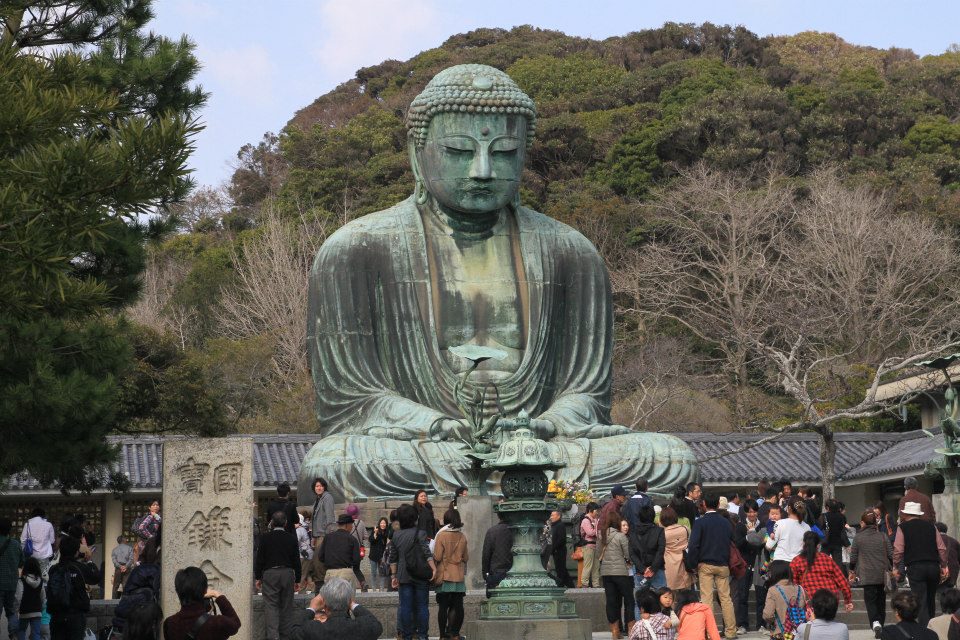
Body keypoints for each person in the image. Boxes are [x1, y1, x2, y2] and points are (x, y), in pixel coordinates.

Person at [685, 494, 736, 640]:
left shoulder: (700, 523)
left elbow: (693, 545)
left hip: (705, 564)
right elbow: (732, 541)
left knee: (707, 599)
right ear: (719, 504)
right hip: (723, 564)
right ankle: (731, 631)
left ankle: (709, 632)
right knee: (726, 598)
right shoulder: (726, 522)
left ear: (704, 504)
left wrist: (692, 563)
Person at [894, 502, 950, 627]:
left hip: (915, 567)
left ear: (906, 513)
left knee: (921, 601)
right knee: (931, 600)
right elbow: (941, 548)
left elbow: (898, 550)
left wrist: (896, 567)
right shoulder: (931, 526)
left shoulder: (902, 527)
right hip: (933, 566)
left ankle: (925, 630)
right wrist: (944, 565)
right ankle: (931, 627)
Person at [390, 504, 436, 640]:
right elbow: (427, 554)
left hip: (403, 575)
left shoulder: (396, 535)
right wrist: (433, 568)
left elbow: (393, 558)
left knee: (405, 607)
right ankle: (422, 636)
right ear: (414, 518)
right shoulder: (420, 533)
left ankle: (407, 635)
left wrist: (393, 576)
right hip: (420, 574)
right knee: (422, 606)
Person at [255, 511, 301, 640]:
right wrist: (297, 579)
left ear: (272, 523)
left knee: (271, 606)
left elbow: (260, 559)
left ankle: (273, 637)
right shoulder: (291, 538)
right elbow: (296, 560)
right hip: (287, 573)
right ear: (286, 523)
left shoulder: (265, 538)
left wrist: (258, 577)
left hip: (270, 574)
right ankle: (286, 636)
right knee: (287, 606)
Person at [289, 577, 383, 640]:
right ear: (349, 603)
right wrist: (353, 604)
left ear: (325, 606)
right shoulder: (363, 627)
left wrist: (311, 608)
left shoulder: (314, 629)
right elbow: (375, 623)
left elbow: (294, 628)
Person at [162, 566, 240, 640]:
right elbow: (235, 623)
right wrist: (217, 595)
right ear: (205, 590)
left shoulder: (169, 624)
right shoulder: (216, 623)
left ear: (178, 591)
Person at [46, 536, 99, 640]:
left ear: (61, 550)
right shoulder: (79, 568)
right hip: (76, 615)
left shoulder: (54, 569)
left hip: (56, 615)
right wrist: (89, 561)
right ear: (76, 552)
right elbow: (96, 578)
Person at [850, 509, 893, 635]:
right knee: (881, 601)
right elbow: (891, 554)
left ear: (863, 523)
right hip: (882, 575)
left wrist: (851, 570)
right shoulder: (883, 536)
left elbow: (853, 558)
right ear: (875, 523)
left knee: (870, 601)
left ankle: (875, 622)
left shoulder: (858, 538)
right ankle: (881, 626)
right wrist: (893, 568)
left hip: (867, 576)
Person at [790, 531, 853, 616]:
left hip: (810, 600)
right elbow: (842, 582)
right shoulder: (827, 559)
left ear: (803, 543)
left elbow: (794, 585)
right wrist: (847, 601)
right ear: (818, 545)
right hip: (830, 599)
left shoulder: (796, 561)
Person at [112, 537, 161, 635]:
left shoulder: (115, 549)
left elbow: (114, 559)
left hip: (122, 570)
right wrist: (126, 566)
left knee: (116, 586)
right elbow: (131, 558)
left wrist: (119, 566)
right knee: (125, 584)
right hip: (145, 576)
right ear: (124, 540)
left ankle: (114, 598)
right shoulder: (146, 596)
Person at [433, 509, 468, 640]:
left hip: (444, 575)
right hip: (458, 576)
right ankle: (455, 634)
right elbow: (466, 557)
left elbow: (436, 556)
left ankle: (442, 635)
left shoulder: (441, 535)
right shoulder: (462, 536)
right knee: (457, 606)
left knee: (443, 607)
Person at [599, 511, 634, 639]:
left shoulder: (601, 535)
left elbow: (598, 554)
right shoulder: (620, 536)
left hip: (606, 573)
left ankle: (615, 631)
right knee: (629, 600)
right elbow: (628, 555)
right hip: (620, 572)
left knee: (611, 601)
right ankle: (630, 630)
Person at [630, 503, 666, 600]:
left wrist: (643, 569)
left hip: (640, 570)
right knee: (662, 598)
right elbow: (660, 551)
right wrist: (653, 568)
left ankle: (639, 616)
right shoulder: (659, 531)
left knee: (640, 601)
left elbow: (632, 554)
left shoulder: (633, 532)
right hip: (657, 569)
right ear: (653, 516)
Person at [761, 561, 805, 636]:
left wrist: (773, 622)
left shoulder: (773, 590)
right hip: (799, 633)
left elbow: (768, 615)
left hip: (781, 633)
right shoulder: (800, 589)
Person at [318, 515, 361, 589]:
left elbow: (320, 556)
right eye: (351, 525)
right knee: (347, 599)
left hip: (330, 573)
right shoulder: (352, 539)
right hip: (346, 572)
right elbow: (356, 560)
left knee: (330, 598)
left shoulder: (328, 537)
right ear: (347, 525)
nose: (352, 527)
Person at [1, 517, 24, 640]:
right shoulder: (15, 544)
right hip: (11, 583)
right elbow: (22, 562)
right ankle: (13, 634)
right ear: (9, 530)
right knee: (11, 611)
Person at [659, 507, 692, 592]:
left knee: (671, 594)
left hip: (669, 565)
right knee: (686, 593)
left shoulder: (663, 533)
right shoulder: (685, 529)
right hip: (685, 564)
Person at [310, 478, 335, 587]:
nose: (318, 488)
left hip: (324, 534)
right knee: (317, 563)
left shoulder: (327, 497)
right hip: (317, 535)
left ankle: (320, 588)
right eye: (316, 486)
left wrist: (328, 535)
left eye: (320, 486)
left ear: (324, 487)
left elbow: (330, 518)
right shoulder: (318, 499)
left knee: (318, 563)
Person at [481, 512, 513, 597]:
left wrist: (485, 573)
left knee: (494, 599)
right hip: (514, 571)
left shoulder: (492, 531)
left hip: (496, 572)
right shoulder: (515, 531)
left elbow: (486, 555)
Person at [769, 499, 810, 563]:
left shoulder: (779, 523)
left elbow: (769, 545)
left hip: (780, 562)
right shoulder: (807, 527)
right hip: (798, 563)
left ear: (789, 508)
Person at [19, 509, 55, 579]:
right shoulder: (48, 525)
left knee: (31, 577)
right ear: (43, 516)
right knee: (43, 578)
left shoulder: (28, 524)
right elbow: (52, 541)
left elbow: (22, 540)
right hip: (44, 555)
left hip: (31, 556)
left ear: (33, 515)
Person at [17, 557, 44, 640]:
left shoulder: (21, 580)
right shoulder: (40, 581)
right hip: (37, 610)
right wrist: (41, 606)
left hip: (24, 610)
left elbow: (19, 595)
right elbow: (43, 596)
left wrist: (17, 607)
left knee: (21, 631)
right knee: (36, 633)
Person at [545, 509, 573, 588]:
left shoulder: (560, 525)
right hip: (556, 550)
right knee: (561, 569)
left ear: (558, 516)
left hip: (559, 550)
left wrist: (553, 548)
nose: (551, 517)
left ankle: (561, 584)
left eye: (553, 515)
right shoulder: (554, 525)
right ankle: (569, 585)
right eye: (551, 515)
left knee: (561, 569)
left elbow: (561, 539)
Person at [821, 499, 850, 571]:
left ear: (827, 507)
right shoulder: (841, 517)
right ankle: (838, 579)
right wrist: (847, 544)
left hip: (826, 543)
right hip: (837, 543)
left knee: (823, 563)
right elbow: (842, 532)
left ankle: (824, 578)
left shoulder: (823, 516)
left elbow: (819, 529)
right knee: (838, 565)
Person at [344, 505, 368, 590]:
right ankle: (363, 583)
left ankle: (347, 588)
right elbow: (366, 536)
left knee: (347, 569)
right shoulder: (361, 523)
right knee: (356, 569)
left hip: (348, 550)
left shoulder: (347, 523)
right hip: (358, 551)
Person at [580, 502, 601, 588]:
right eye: (596, 511)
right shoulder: (585, 520)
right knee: (588, 565)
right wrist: (597, 526)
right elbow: (590, 533)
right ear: (590, 510)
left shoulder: (595, 520)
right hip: (588, 546)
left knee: (596, 566)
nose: (597, 513)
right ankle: (585, 583)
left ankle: (596, 584)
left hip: (595, 545)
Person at [936, 523, 960, 590]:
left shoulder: (932, 540)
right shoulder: (954, 541)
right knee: (948, 593)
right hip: (952, 572)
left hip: (937, 571)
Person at [368, 518, 390, 592]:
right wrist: (375, 533)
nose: (383, 525)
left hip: (382, 556)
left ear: (386, 524)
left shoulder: (387, 532)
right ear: (379, 523)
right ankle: (374, 589)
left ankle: (382, 589)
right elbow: (371, 540)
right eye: (381, 523)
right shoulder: (375, 530)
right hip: (373, 556)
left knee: (382, 573)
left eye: (384, 523)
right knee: (373, 573)